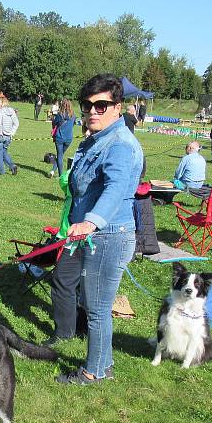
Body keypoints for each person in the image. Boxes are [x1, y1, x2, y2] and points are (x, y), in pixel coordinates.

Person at [50, 74, 143, 385]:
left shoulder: (119, 145)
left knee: (97, 310)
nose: (92, 111)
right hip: (94, 235)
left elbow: (116, 188)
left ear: (118, 107)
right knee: (95, 306)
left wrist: (90, 221)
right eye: (87, 105)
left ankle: (93, 372)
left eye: (101, 105)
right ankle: (105, 364)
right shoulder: (96, 139)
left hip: (108, 236)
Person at [0, 96, 19, 175]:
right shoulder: (12, 111)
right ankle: (12, 166)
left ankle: (1, 171)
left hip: (0, 136)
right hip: (8, 137)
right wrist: (12, 133)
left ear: (1, 103)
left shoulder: (0, 111)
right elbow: (16, 123)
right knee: (4, 152)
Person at [51, 98, 76, 178]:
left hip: (59, 138)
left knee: (60, 156)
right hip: (69, 139)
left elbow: (54, 123)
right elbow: (73, 124)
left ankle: (61, 176)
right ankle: (52, 171)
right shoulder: (73, 115)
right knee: (60, 155)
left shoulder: (60, 114)